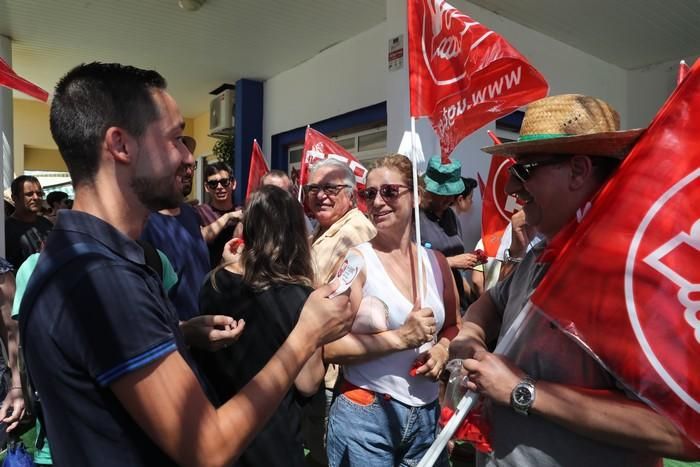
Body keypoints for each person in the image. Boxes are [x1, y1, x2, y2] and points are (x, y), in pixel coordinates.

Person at [20, 62, 353, 467]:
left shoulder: (82, 253)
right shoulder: (102, 280)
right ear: (120, 145)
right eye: (176, 139)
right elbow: (206, 448)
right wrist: (307, 334)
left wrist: (180, 334)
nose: (187, 158)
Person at [451, 94, 700, 466]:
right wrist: (470, 336)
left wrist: (522, 391)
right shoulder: (540, 249)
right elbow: (493, 302)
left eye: (525, 170)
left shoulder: (636, 276)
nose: (512, 190)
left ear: (580, 170)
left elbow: (682, 432)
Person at [324, 154, 460, 467]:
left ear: (415, 196)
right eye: (369, 194)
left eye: (389, 192)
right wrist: (400, 337)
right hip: (366, 416)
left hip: (426, 416)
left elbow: (454, 326)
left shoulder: (436, 262)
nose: (377, 202)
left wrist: (441, 349)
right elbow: (328, 347)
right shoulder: (356, 262)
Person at [195, 185, 324, 467]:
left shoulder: (213, 282)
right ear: (294, 233)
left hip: (222, 431)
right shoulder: (300, 296)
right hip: (275, 442)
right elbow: (309, 383)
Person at [302, 158, 376, 466]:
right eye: (314, 188)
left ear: (350, 194)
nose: (321, 195)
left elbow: (335, 301)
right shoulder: (321, 230)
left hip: (337, 372)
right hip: (317, 365)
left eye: (331, 188)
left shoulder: (355, 230)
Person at [141, 135, 212, 321]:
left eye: (191, 165)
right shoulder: (143, 221)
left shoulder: (190, 213)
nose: (189, 171)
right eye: (181, 165)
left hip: (204, 328)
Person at [419, 157, 479, 312]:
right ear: (429, 191)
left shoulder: (451, 216)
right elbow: (408, 264)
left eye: (453, 193)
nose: (450, 199)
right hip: (431, 305)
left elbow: (458, 269)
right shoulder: (414, 218)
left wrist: (471, 298)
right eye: (444, 194)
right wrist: (450, 262)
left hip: (457, 304)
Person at [196, 162, 243, 267]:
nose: (219, 187)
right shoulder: (199, 212)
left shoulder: (243, 212)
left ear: (233, 183)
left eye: (224, 182)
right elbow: (201, 238)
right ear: (206, 187)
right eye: (213, 183)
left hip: (240, 274)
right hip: (211, 274)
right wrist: (227, 217)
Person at [5, 176, 53, 270]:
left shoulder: (47, 223)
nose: (36, 197)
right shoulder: (5, 230)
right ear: (14, 198)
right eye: (29, 194)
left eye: (39, 194)